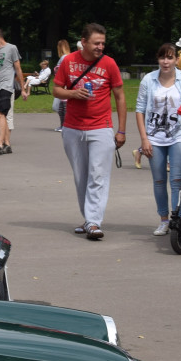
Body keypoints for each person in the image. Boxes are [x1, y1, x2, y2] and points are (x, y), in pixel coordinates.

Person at [53, 23, 127, 240]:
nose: (100, 47)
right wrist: (73, 94)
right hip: (72, 128)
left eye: (103, 43)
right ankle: (88, 219)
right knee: (81, 177)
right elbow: (56, 90)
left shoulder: (109, 63)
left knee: (98, 175)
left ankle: (94, 222)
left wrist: (121, 130)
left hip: (101, 127)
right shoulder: (68, 61)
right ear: (83, 42)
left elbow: (120, 97)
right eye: (96, 43)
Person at [134, 43, 181, 235]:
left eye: (169, 58)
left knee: (177, 180)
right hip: (154, 136)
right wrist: (144, 139)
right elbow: (140, 110)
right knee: (159, 181)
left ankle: (177, 218)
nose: (166, 62)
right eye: (162, 58)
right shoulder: (148, 80)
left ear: (176, 59)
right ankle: (163, 219)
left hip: (179, 134)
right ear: (158, 59)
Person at [0, 27, 24, 155]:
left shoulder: (11, 48)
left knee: (1, 113)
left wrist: (23, 88)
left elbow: (18, 68)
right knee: (1, 115)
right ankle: (7, 144)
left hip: (6, 86)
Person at [53, 39, 72, 131]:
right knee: (62, 107)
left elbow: (60, 71)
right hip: (66, 85)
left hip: (63, 85)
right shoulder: (69, 56)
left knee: (62, 108)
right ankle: (63, 126)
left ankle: (64, 126)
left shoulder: (63, 57)